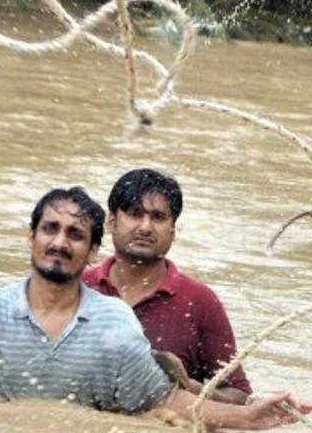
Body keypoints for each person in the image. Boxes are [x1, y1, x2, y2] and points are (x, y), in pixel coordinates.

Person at [0, 186, 311, 428]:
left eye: (76, 234)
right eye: (50, 229)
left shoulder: (114, 324)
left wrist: (247, 418)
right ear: (31, 237)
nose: (60, 243)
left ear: (93, 249)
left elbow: (167, 403)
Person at [83, 169, 252, 404]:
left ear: (174, 228)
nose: (145, 227)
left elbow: (240, 397)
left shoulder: (199, 301)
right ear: (111, 222)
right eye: (134, 214)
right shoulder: (79, 289)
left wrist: (188, 387)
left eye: (158, 217)